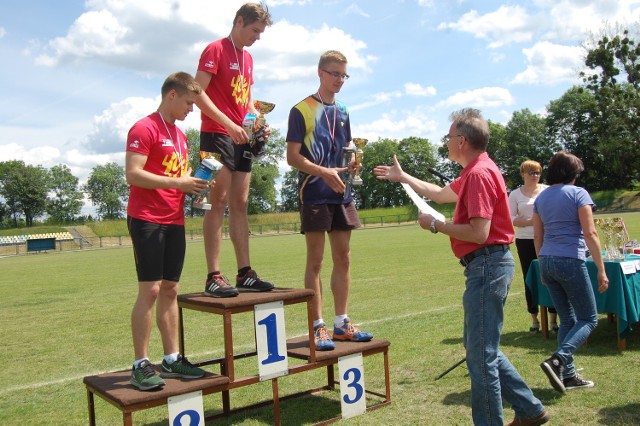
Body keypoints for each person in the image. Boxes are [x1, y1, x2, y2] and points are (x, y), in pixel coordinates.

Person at [374, 108, 549, 426]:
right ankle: (530, 409)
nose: (447, 141)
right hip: (487, 265)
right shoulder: (476, 169)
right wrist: (404, 178)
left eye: (450, 136)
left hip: (487, 265)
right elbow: (441, 194)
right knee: (481, 348)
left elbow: (479, 233)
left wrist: (435, 225)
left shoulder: (479, 174)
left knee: (480, 357)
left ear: (462, 140)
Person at [126, 72, 208, 391]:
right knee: (151, 290)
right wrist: (179, 183)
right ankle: (140, 364)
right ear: (171, 95)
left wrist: (194, 188)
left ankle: (171, 358)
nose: (191, 109)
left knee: (171, 289)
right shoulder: (143, 127)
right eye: (189, 103)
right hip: (146, 217)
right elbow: (134, 174)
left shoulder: (181, 136)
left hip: (174, 219)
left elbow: (178, 175)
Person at [286, 50, 373, 351]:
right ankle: (317, 326)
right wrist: (323, 171)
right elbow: (292, 156)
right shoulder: (302, 109)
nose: (339, 79)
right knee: (316, 260)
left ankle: (341, 322)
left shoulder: (345, 110)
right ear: (320, 73)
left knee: (344, 257)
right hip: (313, 190)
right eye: (334, 73)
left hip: (341, 190)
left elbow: (346, 146)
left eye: (343, 75)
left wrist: (352, 164)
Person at [195, 2, 274, 298]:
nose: (258, 37)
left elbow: (249, 101)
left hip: (241, 136)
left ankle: (245, 273)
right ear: (239, 22)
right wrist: (228, 123)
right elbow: (197, 93)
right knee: (218, 202)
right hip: (216, 134)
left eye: (260, 32)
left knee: (240, 204)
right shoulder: (215, 49)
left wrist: (257, 124)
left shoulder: (249, 58)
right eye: (255, 30)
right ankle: (213, 276)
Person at [533, 151, 608, 393]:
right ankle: (558, 360)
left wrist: (542, 263)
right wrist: (601, 269)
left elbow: (537, 235)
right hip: (570, 260)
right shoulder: (578, 194)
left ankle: (568, 375)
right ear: (572, 174)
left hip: (546, 259)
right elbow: (590, 233)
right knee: (589, 318)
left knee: (568, 319)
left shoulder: (541, 198)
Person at [508, 160, 558, 335]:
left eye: (537, 173)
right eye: (531, 173)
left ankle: (553, 319)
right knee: (530, 278)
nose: (535, 176)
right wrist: (532, 221)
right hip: (525, 240)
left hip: (547, 238)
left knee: (551, 276)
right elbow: (511, 219)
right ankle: (534, 319)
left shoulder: (547, 190)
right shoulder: (515, 195)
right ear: (523, 174)